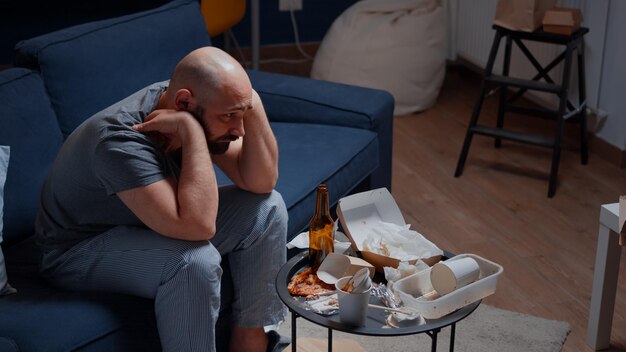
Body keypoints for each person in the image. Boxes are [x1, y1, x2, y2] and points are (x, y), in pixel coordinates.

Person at [35, 47, 288, 352]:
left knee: (268, 208)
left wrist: (251, 102)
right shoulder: (119, 139)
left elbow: (260, 182)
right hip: (77, 249)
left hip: (147, 220)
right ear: (183, 102)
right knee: (194, 262)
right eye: (229, 117)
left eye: (241, 114)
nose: (239, 130)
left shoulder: (189, 102)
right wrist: (192, 132)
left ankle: (250, 340)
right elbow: (198, 226)